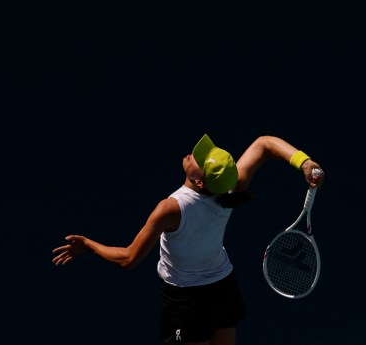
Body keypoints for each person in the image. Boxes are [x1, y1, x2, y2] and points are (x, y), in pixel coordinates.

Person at [51, 134, 326, 345]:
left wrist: (88, 245)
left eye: (200, 159)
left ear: (199, 182)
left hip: (185, 300)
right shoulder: (230, 189)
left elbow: (128, 259)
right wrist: (305, 162)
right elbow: (265, 144)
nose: (194, 154)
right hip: (223, 287)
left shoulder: (171, 209)